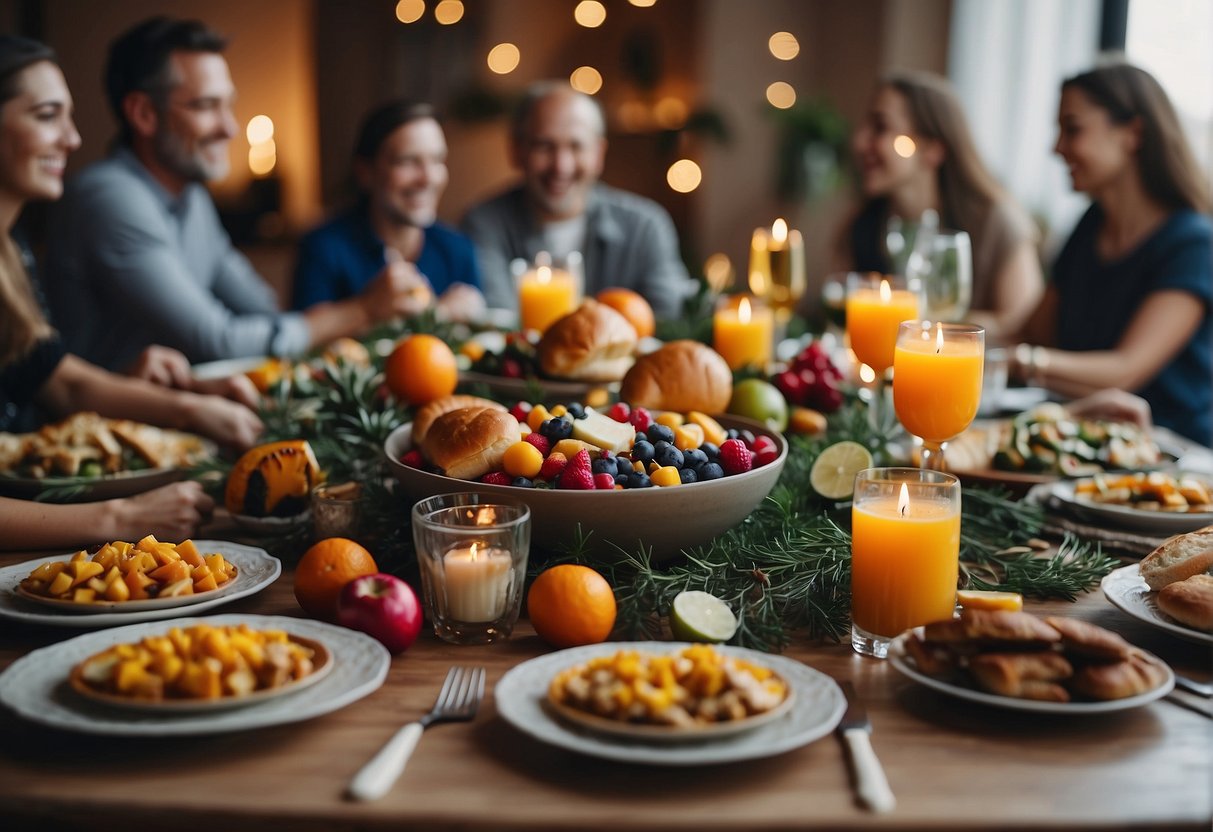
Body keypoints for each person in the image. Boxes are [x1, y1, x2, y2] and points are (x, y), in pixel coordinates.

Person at [41, 16, 422, 372]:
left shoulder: (191, 197)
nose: (231, 128)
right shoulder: (108, 197)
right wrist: (361, 309)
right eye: (207, 106)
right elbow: (218, 340)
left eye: (229, 105)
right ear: (143, 114)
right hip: (97, 430)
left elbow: (262, 311)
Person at [0, 35, 261, 549]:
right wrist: (116, 519)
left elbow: (60, 384)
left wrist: (180, 402)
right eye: (48, 115)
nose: (73, 139)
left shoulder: (12, 251)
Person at [1012, 62, 1212, 446]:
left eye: (1072, 129)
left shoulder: (1193, 243)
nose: (1057, 147)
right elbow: (1030, 330)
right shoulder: (1090, 225)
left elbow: (1125, 370)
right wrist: (938, 332)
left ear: (1133, 133)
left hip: (1171, 457)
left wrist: (1017, 360)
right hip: (1082, 440)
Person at [461, 81, 691, 319]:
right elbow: (498, 320)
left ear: (599, 154)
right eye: (544, 146)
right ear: (516, 151)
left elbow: (670, 319)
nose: (562, 166)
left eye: (576, 146)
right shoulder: (485, 224)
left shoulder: (645, 227)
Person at [838, 70, 1044, 336]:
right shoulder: (865, 223)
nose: (859, 142)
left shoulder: (996, 222)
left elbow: (1023, 325)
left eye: (881, 127)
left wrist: (918, 320)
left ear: (933, 149)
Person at [292, 99, 485, 322]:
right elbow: (303, 338)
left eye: (437, 160)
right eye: (407, 161)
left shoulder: (458, 250)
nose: (428, 178)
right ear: (365, 172)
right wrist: (434, 314)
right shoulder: (323, 249)